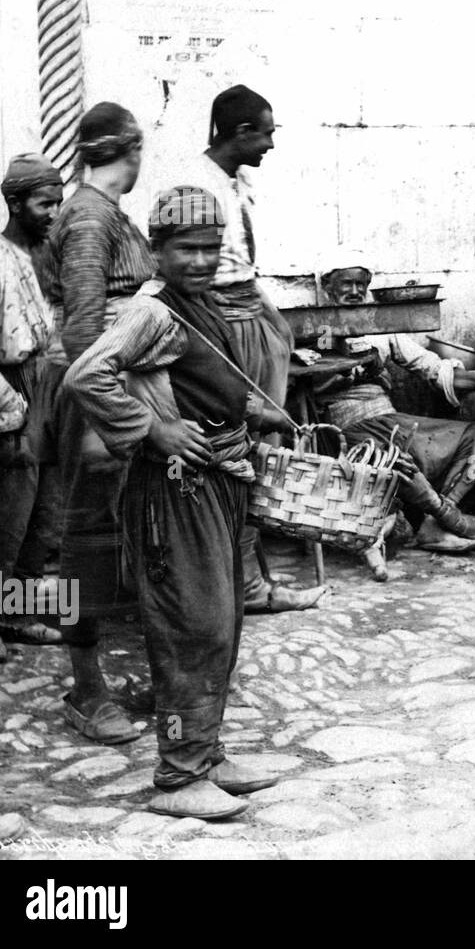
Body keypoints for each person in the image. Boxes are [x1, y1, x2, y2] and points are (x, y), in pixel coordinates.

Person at [64, 185, 291, 820]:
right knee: (188, 626)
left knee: (222, 625)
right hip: (173, 488)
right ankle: (176, 771)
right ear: (157, 249)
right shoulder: (152, 311)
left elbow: (210, 379)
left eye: (210, 248)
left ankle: (207, 754)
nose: (200, 259)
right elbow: (86, 375)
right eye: (186, 248)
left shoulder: (204, 303)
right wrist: (151, 429)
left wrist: (257, 412)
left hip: (218, 479)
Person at [178, 84, 321, 613]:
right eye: (266, 132)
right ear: (240, 132)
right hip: (220, 325)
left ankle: (249, 586)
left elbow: (244, 269)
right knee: (232, 453)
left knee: (254, 452)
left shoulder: (237, 180)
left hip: (247, 313)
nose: (271, 144)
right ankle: (234, 588)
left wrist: (273, 322)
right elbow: (194, 276)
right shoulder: (196, 185)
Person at [43, 102, 154, 745]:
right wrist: (109, 415)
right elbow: (85, 324)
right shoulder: (88, 219)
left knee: (125, 531)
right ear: (131, 150)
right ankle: (86, 690)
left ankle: (126, 675)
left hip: (121, 381)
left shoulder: (104, 214)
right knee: (86, 539)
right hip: (98, 387)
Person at [312, 251, 475, 558]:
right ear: (327, 286)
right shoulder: (319, 327)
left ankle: (434, 522)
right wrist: (357, 369)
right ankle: (445, 520)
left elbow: (431, 366)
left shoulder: (379, 327)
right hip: (349, 429)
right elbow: (315, 378)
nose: (354, 292)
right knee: (391, 456)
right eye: (346, 283)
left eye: (361, 284)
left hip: (389, 420)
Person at [0, 155, 65, 665]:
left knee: (46, 514)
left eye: (57, 202)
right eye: (43, 203)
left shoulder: (49, 254)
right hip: (9, 388)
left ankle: (22, 612)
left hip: (49, 386)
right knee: (5, 517)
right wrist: (2, 405)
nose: (53, 212)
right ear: (14, 203)